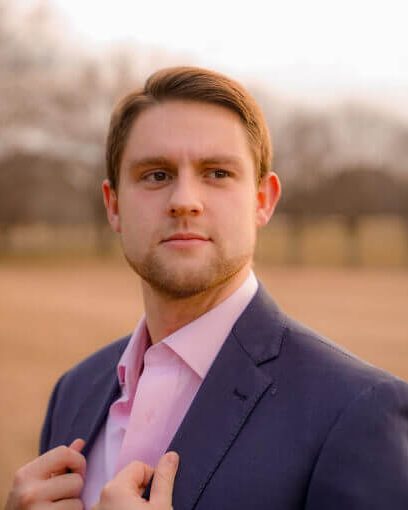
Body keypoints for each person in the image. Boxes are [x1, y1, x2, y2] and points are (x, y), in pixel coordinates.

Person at [5, 66, 408, 510]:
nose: (184, 201)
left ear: (263, 200)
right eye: (156, 175)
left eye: (216, 173)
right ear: (113, 205)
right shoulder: (74, 391)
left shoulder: (356, 410)